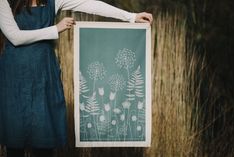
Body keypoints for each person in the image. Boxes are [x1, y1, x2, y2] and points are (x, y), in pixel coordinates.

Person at [0, 0, 153, 157]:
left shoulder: (52, 1)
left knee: (45, 141)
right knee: (14, 141)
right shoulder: (4, 2)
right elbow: (15, 37)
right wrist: (55, 29)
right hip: (14, 77)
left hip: (44, 74)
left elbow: (90, 4)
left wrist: (131, 16)